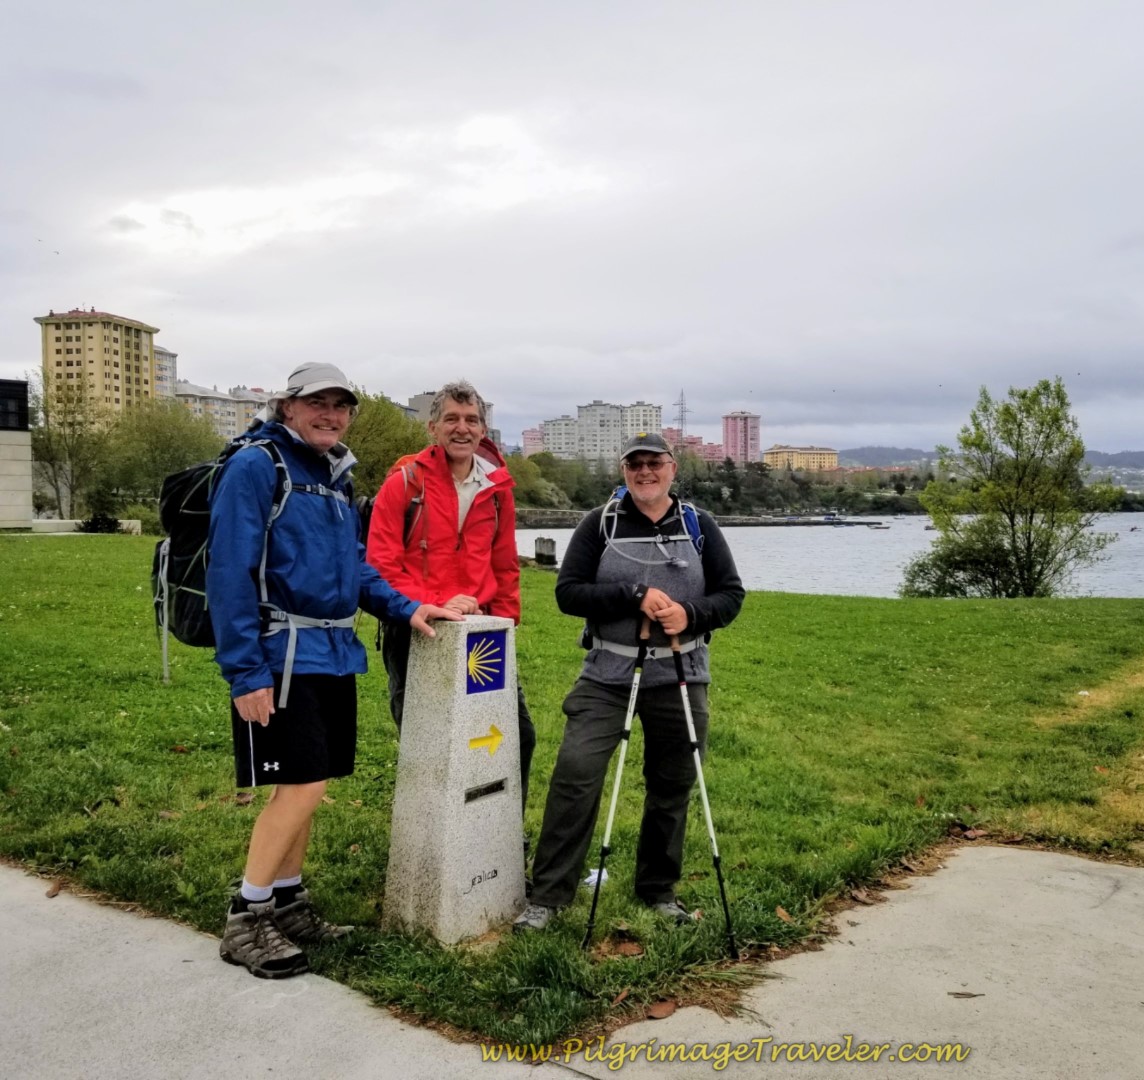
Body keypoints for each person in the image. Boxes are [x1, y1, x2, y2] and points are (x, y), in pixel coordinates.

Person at [208, 361, 459, 979]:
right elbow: (229, 573)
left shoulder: (332, 476)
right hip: (279, 657)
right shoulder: (256, 466)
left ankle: (288, 902)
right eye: (316, 402)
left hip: (331, 654)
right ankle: (248, 916)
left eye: (340, 405)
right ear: (287, 407)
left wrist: (409, 608)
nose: (330, 414)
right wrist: (246, 673)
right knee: (301, 786)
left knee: (310, 783)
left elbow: (357, 567)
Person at [514, 432, 745, 932]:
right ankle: (549, 897)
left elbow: (730, 596)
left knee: (674, 781)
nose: (645, 472)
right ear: (624, 471)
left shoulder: (699, 525)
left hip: (681, 671)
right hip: (608, 673)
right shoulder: (599, 524)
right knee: (575, 774)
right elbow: (569, 594)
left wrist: (691, 614)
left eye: (654, 463)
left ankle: (658, 890)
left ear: (672, 468)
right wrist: (633, 594)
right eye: (635, 464)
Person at [364, 380, 535, 808]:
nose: (463, 428)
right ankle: (427, 840)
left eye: (472, 420)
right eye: (452, 419)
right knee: (425, 740)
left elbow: (504, 562)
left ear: (483, 429)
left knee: (513, 735)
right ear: (433, 427)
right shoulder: (404, 483)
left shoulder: (496, 488)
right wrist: (430, 603)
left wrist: (507, 621)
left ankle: (501, 840)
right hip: (416, 625)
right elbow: (381, 563)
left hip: (481, 631)